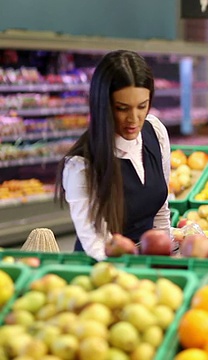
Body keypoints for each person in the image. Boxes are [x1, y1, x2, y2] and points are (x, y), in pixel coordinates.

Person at [55, 50, 171, 260]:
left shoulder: (155, 131)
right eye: (122, 108)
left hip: (145, 265)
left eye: (142, 106)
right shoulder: (81, 165)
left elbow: (161, 212)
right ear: (104, 105)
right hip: (105, 272)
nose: (134, 119)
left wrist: (164, 256)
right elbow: (96, 244)